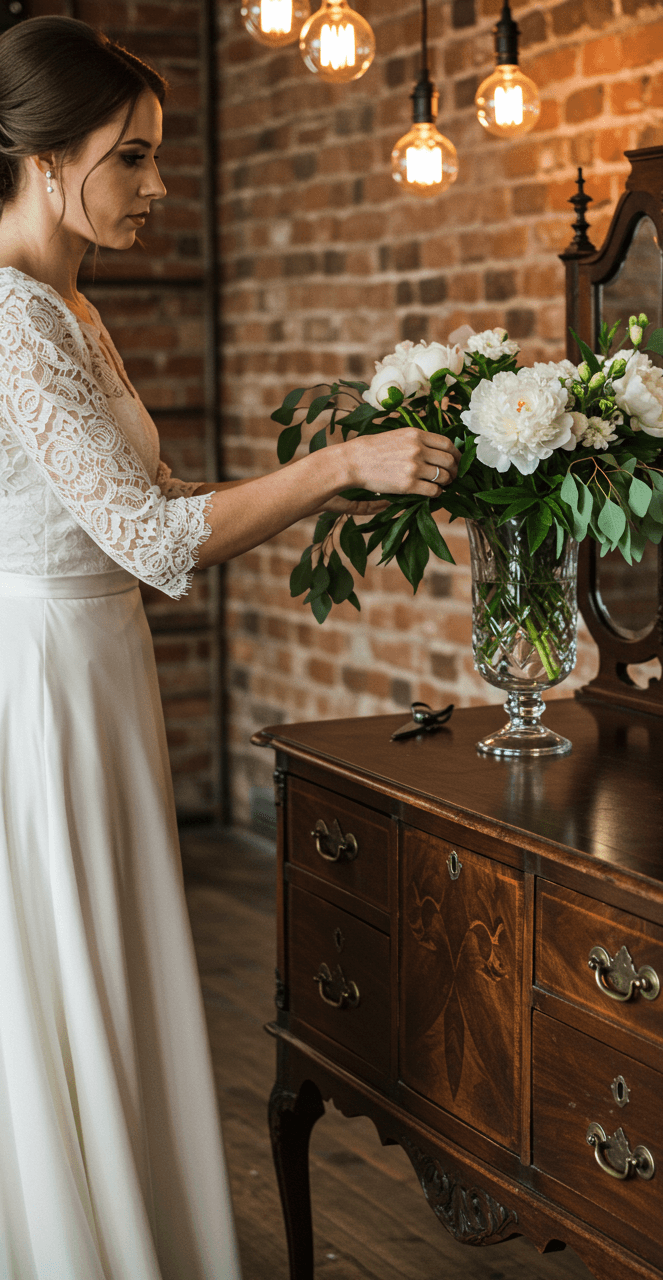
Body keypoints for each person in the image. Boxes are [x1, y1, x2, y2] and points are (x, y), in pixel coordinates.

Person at [0, 15, 459, 1279]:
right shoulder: (11, 318)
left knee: (112, 964)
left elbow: (149, 509)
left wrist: (343, 470)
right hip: (42, 677)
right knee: (62, 967)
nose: (158, 186)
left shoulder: (70, 309)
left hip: (99, 662)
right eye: (132, 156)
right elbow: (152, 537)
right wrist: (334, 465)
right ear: (44, 157)